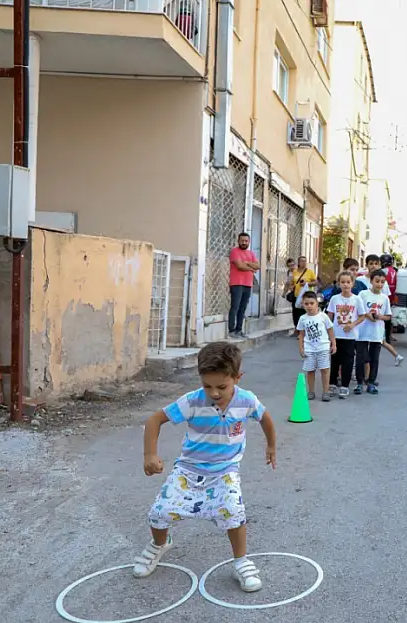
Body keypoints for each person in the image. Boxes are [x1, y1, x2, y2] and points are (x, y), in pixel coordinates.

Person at [133, 341, 277, 591]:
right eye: (207, 386)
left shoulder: (246, 400)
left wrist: (271, 447)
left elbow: (265, 419)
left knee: (233, 511)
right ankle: (160, 544)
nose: (214, 393)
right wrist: (149, 454)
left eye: (222, 386)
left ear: (237, 377)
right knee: (159, 511)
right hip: (189, 469)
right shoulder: (192, 401)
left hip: (225, 470)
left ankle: (241, 561)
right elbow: (155, 420)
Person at [326, 271, 368, 399]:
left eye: (348, 282)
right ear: (339, 284)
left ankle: (344, 386)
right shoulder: (334, 299)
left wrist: (352, 324)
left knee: (348, 362)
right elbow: (329, 317)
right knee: (334, 360)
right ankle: (332, 383)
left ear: (352, 284)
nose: (345, 285)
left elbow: (362, 316)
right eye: (342, 282)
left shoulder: (356, 299)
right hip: (336, 336)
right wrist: (329, 334)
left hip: (350, 336)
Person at [356, 270, 392, 395]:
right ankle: (359, 383)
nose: (379, 284)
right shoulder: (363, 294)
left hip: (376, 333)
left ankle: (371, 382)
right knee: (361, 358)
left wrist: (379, 317)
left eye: (382, 282)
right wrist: (367, 315)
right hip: (362, 332)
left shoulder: (384, 298)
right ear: (371, 281)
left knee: (374, 359)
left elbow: (388, 316)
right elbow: (358, 310)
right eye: (377, 281)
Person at [296, 291, 335, 402]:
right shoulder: (303, 319)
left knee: (325, 370)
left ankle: (326, 391)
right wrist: (301, 348)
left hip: (323, 347)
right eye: (306, 303)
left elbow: (330, 330)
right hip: (309, 349)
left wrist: (334, 344)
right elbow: (301, 334)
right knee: (310, 370)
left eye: (311, 303)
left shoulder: (323, 316)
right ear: (302, 304)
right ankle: (311, 391)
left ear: (317, 304)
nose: (309, 306)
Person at [228, 232, 260, 339]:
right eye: (242, 240)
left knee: (242, 308)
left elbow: (258, 265)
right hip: (236, 283)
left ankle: (239, 330)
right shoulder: (234, 251)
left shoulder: (251, 253)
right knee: (235, 307)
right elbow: (239, 266)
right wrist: (251, 267)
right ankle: (232, 330)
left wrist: (247, 263)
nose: (244, 243)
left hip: (248, 284)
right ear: (238, 241)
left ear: (249, 242)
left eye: (246, 241)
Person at [379, 253, 405, 367]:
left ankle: (386, 339)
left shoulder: (383, 272)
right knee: (388, 320)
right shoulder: (394, 271)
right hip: (390, 298)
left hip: (382, 300)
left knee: (382, 323)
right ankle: (388, 337)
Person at [288, 256, 316, 335]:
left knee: (306, 313)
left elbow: (316, 282)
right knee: (296, 313)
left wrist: (307, 284)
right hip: (297, 296)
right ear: (299, 263)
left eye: (305, 261)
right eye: (302, 261)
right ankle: (298, 329)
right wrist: (291, 286)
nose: (304, 263)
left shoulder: (309, 272)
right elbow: (291, 282)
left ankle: (305, 331)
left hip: (307, 297)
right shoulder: (295, 272)